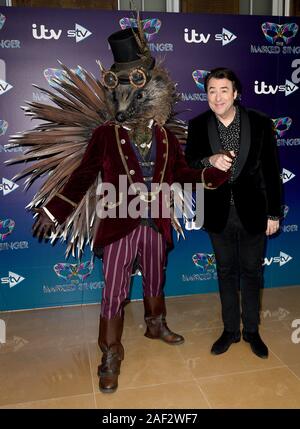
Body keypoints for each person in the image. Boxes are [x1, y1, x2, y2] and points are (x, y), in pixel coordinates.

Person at [31, 31, 229, 393]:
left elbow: (181, 174)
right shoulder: (106, 135)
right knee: (114, 290)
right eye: (120, 87)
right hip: (120, 221)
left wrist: (211, 173)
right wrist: (55, 210)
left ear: (151, 91)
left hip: (156, 221)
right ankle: (110, 352)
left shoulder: (167, 136)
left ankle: (155, 324)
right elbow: (83, 176)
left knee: (156, 277)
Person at [185, 67, 282, 359]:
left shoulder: (260, 123)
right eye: (212, 91)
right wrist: (209, 159)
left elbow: (271, 172)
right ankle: (230, 330)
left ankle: (252, 331)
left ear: (235, 93)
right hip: (217, 213)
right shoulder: (198, 124)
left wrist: (274, 214)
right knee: (225, 272)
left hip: (254, 212)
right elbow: (190, 162)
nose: (217, 97)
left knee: (252, 273)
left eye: (223, 90)